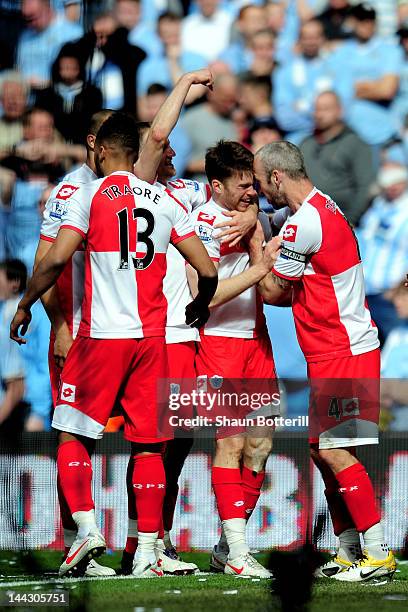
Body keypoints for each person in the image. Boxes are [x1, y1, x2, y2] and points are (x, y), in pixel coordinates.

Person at [10, 111, 218, 579]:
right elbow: (206, 271)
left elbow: (54, 260)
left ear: (103, 151)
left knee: (72, 434)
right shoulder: (166, 201)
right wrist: (200, 305)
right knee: (149, 446)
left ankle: (85, 527)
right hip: (152, 342)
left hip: (101, 337)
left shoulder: (88, 195)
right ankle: (146, 550)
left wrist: (24, 304)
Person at [252, 141, 396, 582]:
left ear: (277, 177)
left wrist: (259, 251)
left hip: (343, 350)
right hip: (335, 349)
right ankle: (350, 549)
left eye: (260, 182)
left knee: (334, 451)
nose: (259, 191)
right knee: (322, 449)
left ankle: (377, 552)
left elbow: (274, 293)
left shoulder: (304, 225)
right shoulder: (320, 206)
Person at [120, 128, 258, 576]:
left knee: (176, 445)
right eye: (163, 147)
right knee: (153, 443)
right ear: (144, 153)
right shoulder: (124, 194)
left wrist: (252, 214)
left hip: (185, 335)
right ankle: (142, 544)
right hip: (156, 329)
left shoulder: (185, 191)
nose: (174, 151)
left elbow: (234, 190)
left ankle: (156, 541)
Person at [189, 140, 280, 579]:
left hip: (256, 342)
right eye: (242, 186)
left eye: (253, 185)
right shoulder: (203, 224)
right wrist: (259, 270)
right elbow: (201, 299)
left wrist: (254, 220)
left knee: (261, 446)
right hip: (219, 342)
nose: (251, 192)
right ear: (216, 186)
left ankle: (228, 546)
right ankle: (242, 553)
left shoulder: (250, 217)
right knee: (232, 443)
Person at [300, 91, 375, 225]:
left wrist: (349, 222)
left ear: (340, 111)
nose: (319, 114)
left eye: (326, 109)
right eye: (317, 109)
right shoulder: (306, 144)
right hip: (308, 221)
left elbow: (365, 187)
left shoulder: (355, 144)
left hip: (342, 221)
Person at [356, 161, 408, 343]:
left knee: (397, 347)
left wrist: (400, 289)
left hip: (391, 296)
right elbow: (364, 239)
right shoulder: (378, 205)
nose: (392, 186)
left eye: (396, 180)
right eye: (387, 181)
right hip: (366, 291)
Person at [35, 44, 103, 144]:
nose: (68, 68)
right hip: (52, 144)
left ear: (79, 66)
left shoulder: (92, 94)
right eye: (65, 65)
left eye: (72, 65)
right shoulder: (46, 94)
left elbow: (95, 123)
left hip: (83, 146)